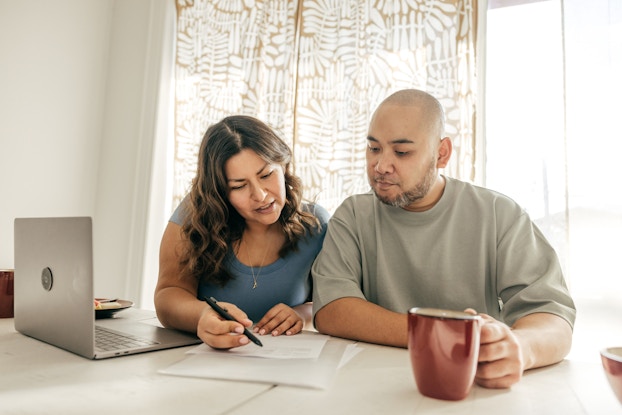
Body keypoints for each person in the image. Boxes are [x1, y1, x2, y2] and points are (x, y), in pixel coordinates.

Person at [311, 89, 576, 389]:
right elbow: (332, 310)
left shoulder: (498, 213)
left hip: (472, 386)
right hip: (371, 385)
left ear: (442, 153)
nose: (381, 166)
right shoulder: (353, 214)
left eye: (401, 152)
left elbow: (553, 317)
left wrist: (521, 349)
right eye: (373, 148)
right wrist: (450, 335)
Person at [155, 115, 329, 349]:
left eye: (266, 175)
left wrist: (303, 314)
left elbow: (334, 301)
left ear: (283, 166)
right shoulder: (193, 215)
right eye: (239, 186)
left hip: (287, 365)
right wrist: (202, 314)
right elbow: (168, 294)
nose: (260, 195)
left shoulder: (316, 223)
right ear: (220, 192)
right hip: (207, 361)